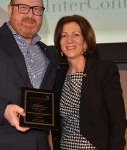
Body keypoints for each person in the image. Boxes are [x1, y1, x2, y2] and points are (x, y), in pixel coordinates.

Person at [0, 0, 57, 149]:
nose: (30, 15)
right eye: (23, 8)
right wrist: (3, 109)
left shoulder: (49, 54)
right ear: (9, 10)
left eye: (37, 9)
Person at [53, 15, 126, 150]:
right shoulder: (58, 76)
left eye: (76, 35)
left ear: (86, 42)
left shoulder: (103, 71)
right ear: (59, 42)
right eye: (64, 35)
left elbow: (118, 119)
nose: (69, 40)